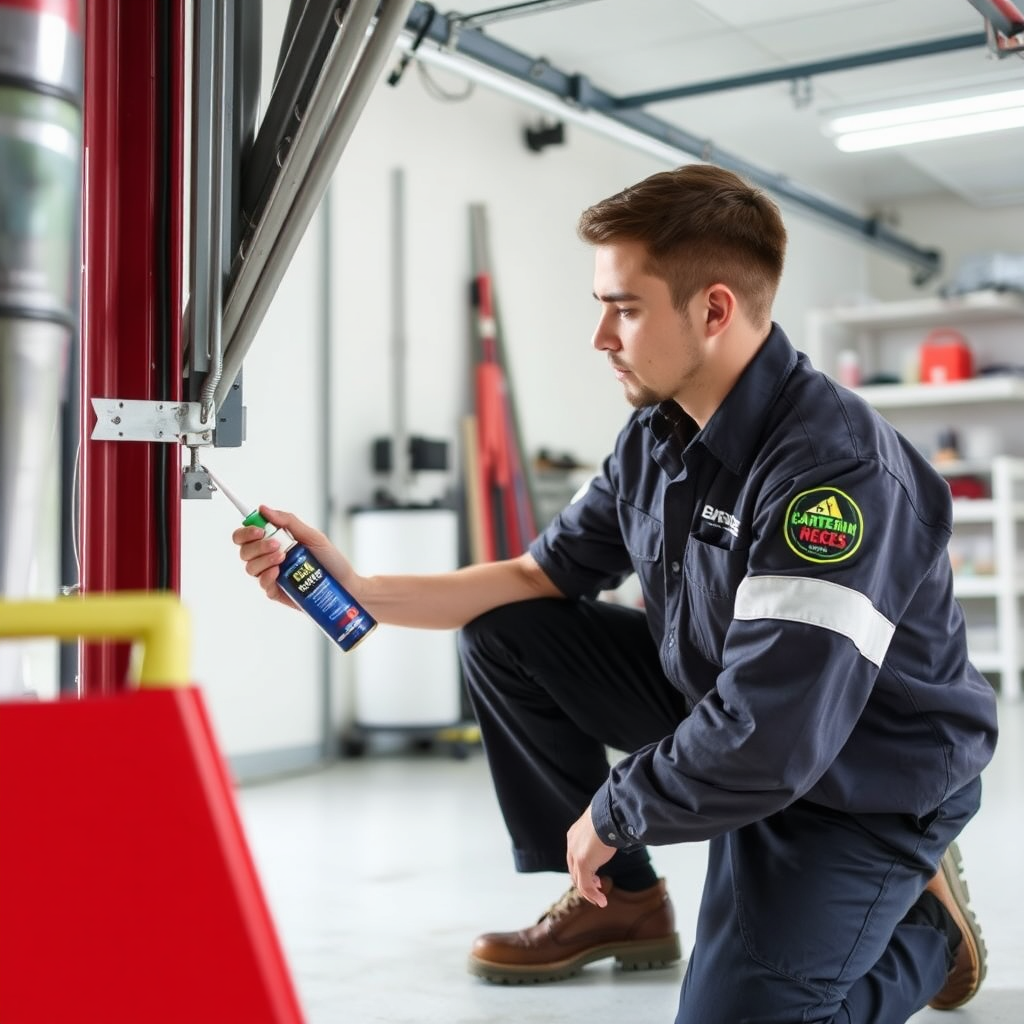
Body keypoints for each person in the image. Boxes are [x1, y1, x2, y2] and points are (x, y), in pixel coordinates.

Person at [234, 163, 999, 1023]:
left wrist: (619, 806)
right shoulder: (657, 434)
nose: (600, 335)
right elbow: (534, 579)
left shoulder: (831, 474)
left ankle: (927, 930)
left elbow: (775, 734)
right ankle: (625, 907)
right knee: (506, 633)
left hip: (857, 767)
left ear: (713, 310)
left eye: (624, 308)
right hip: (736, 709)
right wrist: (359, 589)